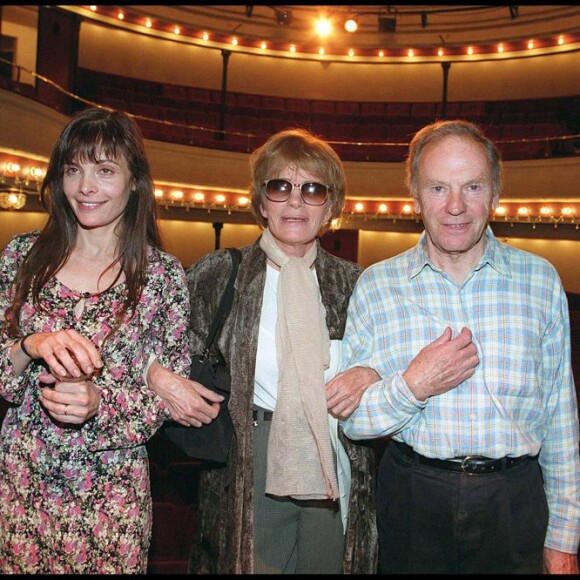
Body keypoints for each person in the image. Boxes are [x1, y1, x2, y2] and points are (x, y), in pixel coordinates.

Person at [337, 119, 580, 574]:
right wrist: (414, 385)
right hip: (413, 498)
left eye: (472, 186)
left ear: (495, 194)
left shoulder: (540, 280)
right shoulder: (377, 285)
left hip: (514, 503)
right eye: (437, 188)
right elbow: (354, 422)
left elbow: (560, 421)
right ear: (414, 196)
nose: (454, 206)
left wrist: (565, 540)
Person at [147, 128, 378, 574]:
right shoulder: (218, 274)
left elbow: (388, 362)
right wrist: (158, 375)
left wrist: (372, 375)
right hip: (248, 456)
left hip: (332, 453)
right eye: (280, 186)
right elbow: (149, 339)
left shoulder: (356, 284)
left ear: (330, 206)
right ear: (261, 201)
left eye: (312, 189)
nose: (295, 201)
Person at [0, 107, 191, 574]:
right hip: (24, 481)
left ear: (134, 182)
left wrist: (99, 404)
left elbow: (168, 399)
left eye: (105, 171)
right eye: (73, 170)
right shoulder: (21, 257)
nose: (85, 187)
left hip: (113, 495)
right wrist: (31, 344)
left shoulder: (162, 277)